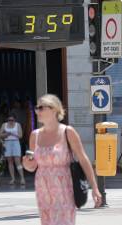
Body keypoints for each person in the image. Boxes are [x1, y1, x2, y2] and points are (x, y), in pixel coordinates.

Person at [23, 94, 102, 225]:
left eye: (42, 108)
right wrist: (26, 163)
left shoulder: (67, 132)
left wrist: (94, 187)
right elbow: (32, 166)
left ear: (54, 109)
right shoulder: (34, 135)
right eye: (37, 108)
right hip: (43, 188)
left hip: (65, 187)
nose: (38, 111)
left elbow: (83, 159)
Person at [0, 114, 25, 185]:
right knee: (10, 161)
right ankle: (13, 178)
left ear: (14, 120)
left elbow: (20, 135)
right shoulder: (4, 125)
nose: (10, 121)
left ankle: (22, 178)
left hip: (15, 142)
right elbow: (0, 135)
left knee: (17, 161)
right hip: (7, 143)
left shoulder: (18, 125)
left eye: (12, 120)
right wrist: (6, 134)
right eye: (9, 120)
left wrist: (13, 134)